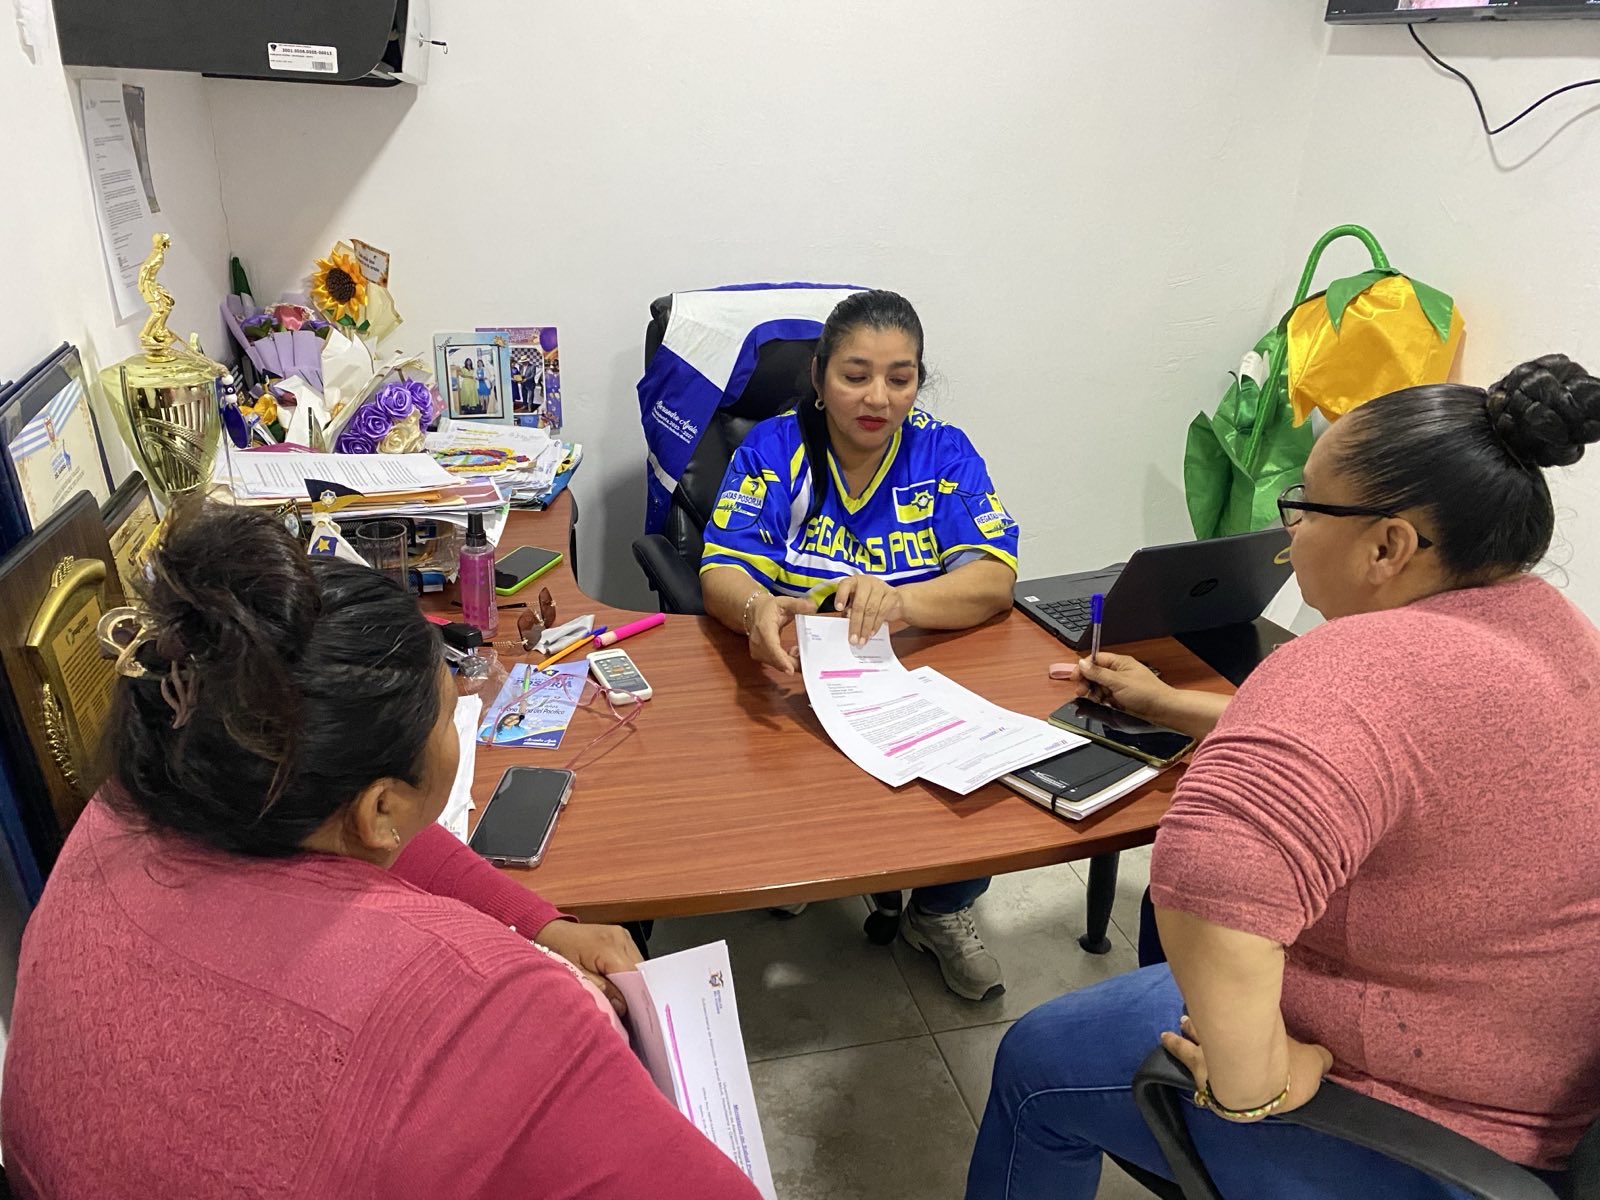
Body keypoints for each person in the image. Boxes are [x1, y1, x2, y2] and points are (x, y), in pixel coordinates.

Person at [967, 355, 1600, 1198]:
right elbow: (1396, 759)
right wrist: (1169, 702)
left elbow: (1208, 892)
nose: (1289, 529)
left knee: (1037, 1060)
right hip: (1541, 1079)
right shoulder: (1556, 630)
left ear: (1387, 545)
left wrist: (1256, 1079)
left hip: (1429, 1125)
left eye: (1304, 505)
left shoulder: (1349, 663)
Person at [1, 502, 762, 1200]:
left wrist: (543, 923)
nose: (461, 709)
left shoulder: (129, 805)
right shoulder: (489, 1010)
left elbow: (379, 835)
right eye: (448, 710)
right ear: (380, 808)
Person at [699, 289, 1019, 1002]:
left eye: (900, 378)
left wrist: (901, 601)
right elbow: (721, 569)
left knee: (988, 764)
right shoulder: (774, 448)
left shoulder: (943, 452)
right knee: (773, 766)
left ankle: (939, 910)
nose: (878, 397)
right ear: (819, 376)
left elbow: (994, 580)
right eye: (855, 375)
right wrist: (754, 608)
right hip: (797, 679)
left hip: (916, 673)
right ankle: (807, 863)